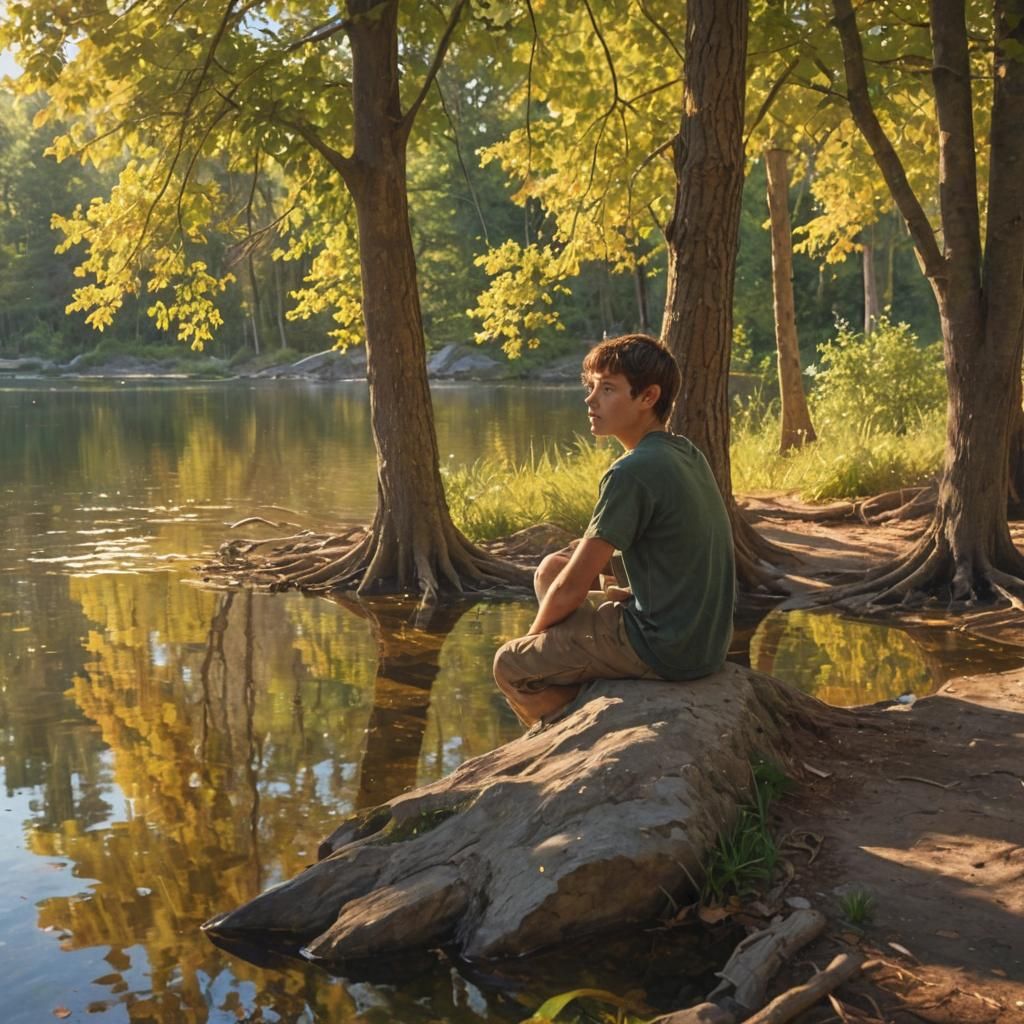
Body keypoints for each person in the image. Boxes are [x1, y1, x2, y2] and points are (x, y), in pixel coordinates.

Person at [492, 333, 735, 728]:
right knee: (553, 567)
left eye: (607, 389)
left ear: (648, 397)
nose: (590, 401)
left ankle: (570, 728)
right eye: (592, 387)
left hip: (664, 647)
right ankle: (583, 678)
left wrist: (532, 641)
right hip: (705, 642)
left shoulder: (631, 471)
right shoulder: (685, 452)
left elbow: (573, 590)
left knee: (511, 665)